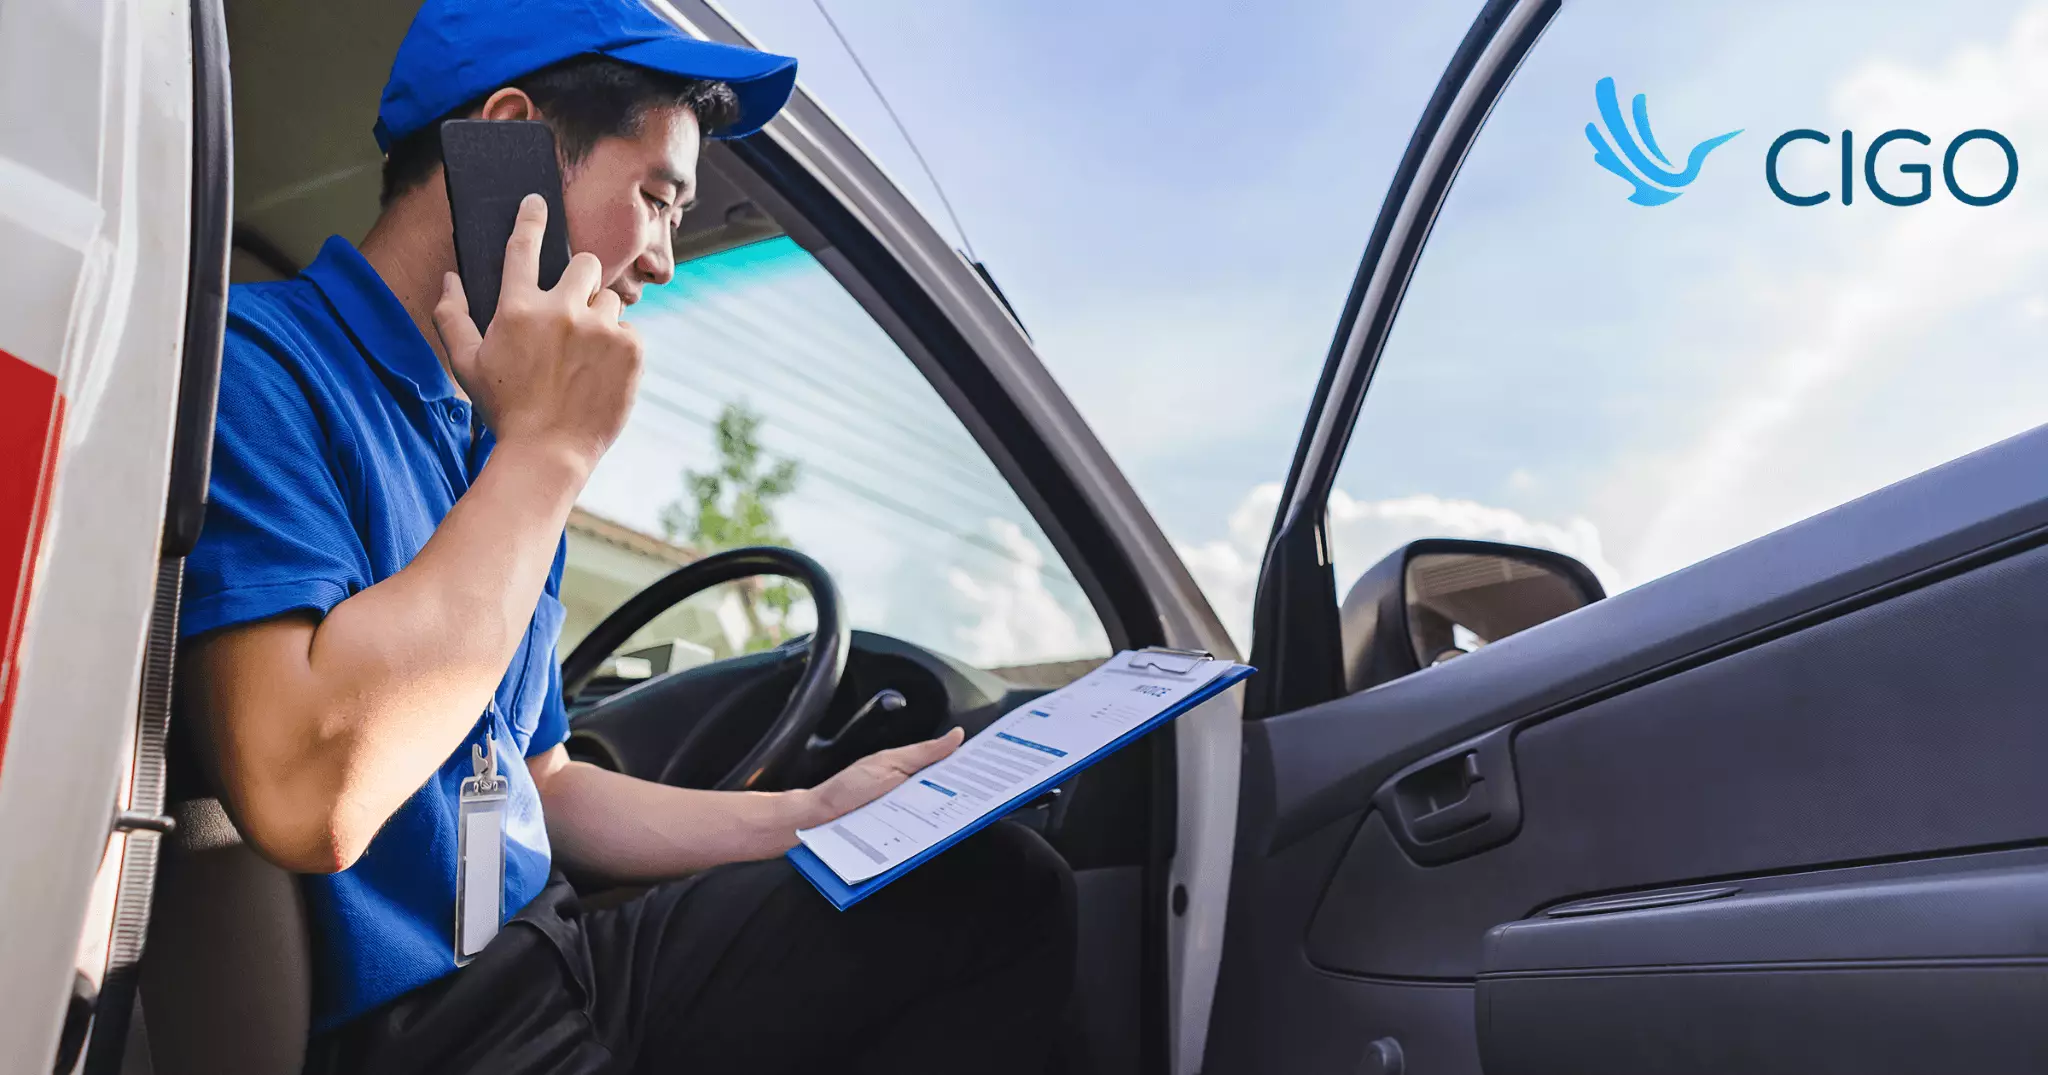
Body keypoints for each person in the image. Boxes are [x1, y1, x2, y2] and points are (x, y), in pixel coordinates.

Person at [174, 1, 1075, 1071]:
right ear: (508, 140)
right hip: (429, 1029)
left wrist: (807, 813)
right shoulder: (258, 367)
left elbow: (541, 778)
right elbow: (306, 794)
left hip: (561, 950)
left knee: (996, 893)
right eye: (656, 199)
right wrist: (546, 457)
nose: (662, 260)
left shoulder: (496, 430)